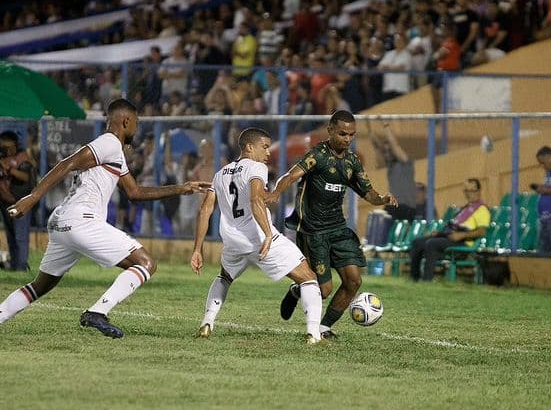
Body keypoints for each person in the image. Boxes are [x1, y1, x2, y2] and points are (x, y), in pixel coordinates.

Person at [0, 99, 210, 338]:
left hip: (63, 222)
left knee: (41, 285)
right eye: (136, 123)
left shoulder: (114, 152)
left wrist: (181, 188)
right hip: (81, 221)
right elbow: (66, 163)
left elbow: (135, 192)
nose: (137, 128)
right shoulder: (108, 142)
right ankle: (98, 311)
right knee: (146, 262)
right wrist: (33, 196)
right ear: (126, 121)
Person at [265, 111, 398, 340]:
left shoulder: (352, 161)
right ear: (330, 130)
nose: (347, 139)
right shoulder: (317, 155)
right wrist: (276, 192)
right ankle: (298, 290)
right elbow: (290, 175)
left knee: (354, 281)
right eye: (342, 133)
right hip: (313, 232)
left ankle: (324, 327)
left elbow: (368, 192)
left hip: (338, 228)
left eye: (351, 135)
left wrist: (383, 199)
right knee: (324, 290)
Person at [190, 127, 323, 344]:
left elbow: (205, 209)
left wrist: (197, 249)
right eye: (265, 147)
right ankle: (314, 335)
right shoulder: (257, 167)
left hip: (232, 241)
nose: (268, 152)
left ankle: (207, 323)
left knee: (225, 276)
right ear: (250, 147)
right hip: (258, 237)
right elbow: (255, 200)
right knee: (308, 278)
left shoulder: (220, 173)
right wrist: (269, 234)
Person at [409, 178, 490, 281]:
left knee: (432, 243)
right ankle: (414, 278)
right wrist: (439, 233)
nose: (469, 194)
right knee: (417, 242)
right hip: (449, 236)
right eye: (466, 191)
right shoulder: (465, 209)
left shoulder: (482, 209)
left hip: (463, 241)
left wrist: (462, 235)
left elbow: (482, 231)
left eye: (472, 191)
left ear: (479, 191)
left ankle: (427, 280)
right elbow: (452, 226)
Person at [0, 131, 35, 271]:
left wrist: (9, 169)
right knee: (11, 236)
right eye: (4, 147)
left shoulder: (22, 157)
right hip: (4, 202)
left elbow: (26, 177)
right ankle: (15, 266)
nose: (8, 150)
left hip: (20, 202)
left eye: (10, 147)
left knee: (20, 236)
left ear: (16, 145)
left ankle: (22, 267)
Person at [370, 122, 416, 221]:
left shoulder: (405, 162)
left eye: (389, 150)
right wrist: (369, 127)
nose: (386, 153)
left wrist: (385, 125)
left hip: (406, 207)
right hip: (393, 206)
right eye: (385, 151)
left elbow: (394, 145)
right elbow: (378, 148)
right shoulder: (390, 166)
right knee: (381, 217)